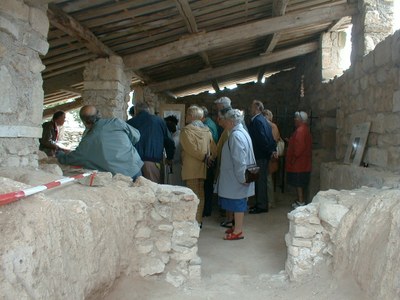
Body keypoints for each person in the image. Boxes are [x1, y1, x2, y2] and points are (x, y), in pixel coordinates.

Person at [57, 105, 143, 180]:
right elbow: (136, 136)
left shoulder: (87, 141)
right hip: (134, 167)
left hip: (118, 177)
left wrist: (60, 155)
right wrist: (124, 146)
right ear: (99, 114)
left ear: (84, 122)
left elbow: (73, 158)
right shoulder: (116, 122)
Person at [216, 109, 255, 240]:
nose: (224, 123)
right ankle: (236, 226)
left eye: (225, 120)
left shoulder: (235, 135)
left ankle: (238, 231)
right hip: (238, 175)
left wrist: (242, 177)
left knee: (238, 202)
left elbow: (239, 159)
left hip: (237, 176)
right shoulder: (241, 132)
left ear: (231, 121)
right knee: (238, 200)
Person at [180, 105, 216, 227]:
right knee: (200, 194)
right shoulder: (207, 130)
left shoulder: (186, 131)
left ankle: (193, 221)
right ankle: (198, 220)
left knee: (192, 194)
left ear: (191, 116)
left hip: (191, 168)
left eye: (187, 114)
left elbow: (190, 149)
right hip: (202, 167)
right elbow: (214, 149)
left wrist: (202, 157)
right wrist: (208, 158)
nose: (185, 117)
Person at [127, 102, 175, 183]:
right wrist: (170, 157)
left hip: (133, 163)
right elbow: (169, 141)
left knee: (135, 190)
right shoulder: (159, 121)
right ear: (148, 110)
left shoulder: (129, 123)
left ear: (135, 111)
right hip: (152, 162)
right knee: (152, 190)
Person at [247, 100, 276, 214]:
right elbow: (270, 136)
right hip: (262, 154)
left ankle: (262, 205)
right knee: (259, 180)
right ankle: (259, 203)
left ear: (257, 108)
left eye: (252, 107)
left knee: (260, 181)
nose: (250, 109)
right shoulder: (263, 120)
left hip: (259, 155)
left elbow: (262, 139)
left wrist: (268, 151)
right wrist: (271, 150)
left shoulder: (257, 121)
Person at [285, 111, 312, 208]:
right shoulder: (304, 129)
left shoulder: (300, 131)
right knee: (300, 182)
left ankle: (301, 201)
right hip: (302, 163)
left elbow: (298, 148)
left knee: (298, 183)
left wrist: (293, 158)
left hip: (299, 163)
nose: (294, 120)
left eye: (296, 118)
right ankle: (300, 200)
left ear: (300, 120)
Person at [262, 109, 282, 208]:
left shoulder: (271, 126)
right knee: (268, 178)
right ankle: (269, 200)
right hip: (270, 155)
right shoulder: (273, 126)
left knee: (268, 178)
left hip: (269, 156)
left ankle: (270, 201)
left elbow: (273, 141)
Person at [201, 106, 218, 217]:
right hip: (210, 158)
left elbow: (208, 144)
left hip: (208, 160)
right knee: (207, 186)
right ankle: (207, 209)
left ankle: (206, 210)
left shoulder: (207, 126)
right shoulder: (210, 123)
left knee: (206, 186)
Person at [164, 115, 183, 186]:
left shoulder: (178, 136)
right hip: (173, 164)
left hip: (177, 164)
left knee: (176, 184)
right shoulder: (173, 135)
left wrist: (170, 159)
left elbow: (177, 151)